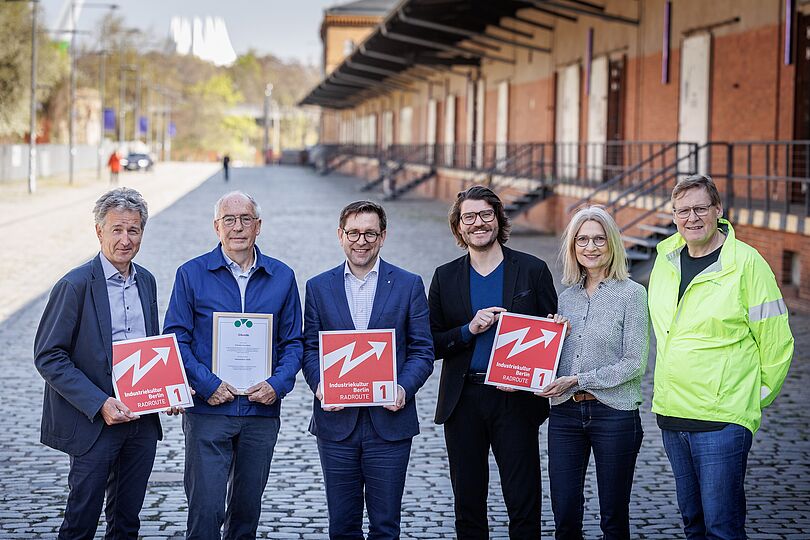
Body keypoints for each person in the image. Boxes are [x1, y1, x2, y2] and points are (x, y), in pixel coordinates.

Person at [649, 174, 794, 539]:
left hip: (722, 420)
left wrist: (751, 399)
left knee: (721, 528)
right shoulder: (666, 259)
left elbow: (777, 342)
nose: (692, 218)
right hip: (673, 415)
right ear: (673, 215)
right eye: (683, 210)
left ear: (718, 210)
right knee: (693, 523)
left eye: (700, 208)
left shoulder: (746, 263)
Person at [34, 187, 180, 539]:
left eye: (133, 230)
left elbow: (148, 347)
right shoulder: (74, 285)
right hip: (94, 423)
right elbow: (49, 356)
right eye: (117, 229)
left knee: (127, 522)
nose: (125, 240)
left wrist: (168, 388)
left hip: (141, 422)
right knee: (81, 521)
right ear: (99, 231)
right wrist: (99, 403)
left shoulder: (146, 281)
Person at [163, 190, 303, 539]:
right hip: (208, 411)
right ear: (217, 226)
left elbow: (293, 342)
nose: (237, 227)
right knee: (206, 511)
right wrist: (207, 384)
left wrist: (277, 385)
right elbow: (176, 337)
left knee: (246, 513)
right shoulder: (191, 274)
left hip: (260, 412)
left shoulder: (282, 276)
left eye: (245, 219)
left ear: (258, 226)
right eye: (229, 220)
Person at [428, 185, 558, 539]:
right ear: (459, 226)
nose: (478, 223)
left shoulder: (532, 270)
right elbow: (432, 343)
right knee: (468, 501)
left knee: (523, 499)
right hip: (463, 400)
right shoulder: (445, 276)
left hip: (515, 398)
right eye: (469, 217)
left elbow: (553, 334)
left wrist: (545, 347)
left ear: (498, 219)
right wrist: (468, 329)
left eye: (486, 214)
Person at [302, 200, 434, 539]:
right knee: (342, 526)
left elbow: (422, 350)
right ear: (340, 235)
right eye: (354, 233)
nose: (361, 241)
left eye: (370, 233)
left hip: (389, 424)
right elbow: (310, 348)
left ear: (383, 236)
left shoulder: (408, 284)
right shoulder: (318, 287)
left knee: (385, 526)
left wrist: (403, 388)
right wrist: (320, 385)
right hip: (336, 426)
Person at [537, 206, 648, 539]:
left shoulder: (632, 294)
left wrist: (579, 380)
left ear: (612, 243)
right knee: (565, 513)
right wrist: (553, 338)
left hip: (614, 414)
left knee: (613, 517)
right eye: (582, 239)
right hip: (565, 417)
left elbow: (634, 362)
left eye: (599, 239)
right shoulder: (565, 298)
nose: (591, 247)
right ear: (572, 246)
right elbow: (556, 364)